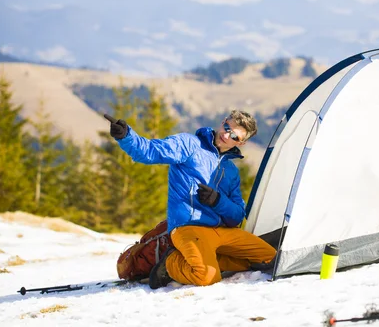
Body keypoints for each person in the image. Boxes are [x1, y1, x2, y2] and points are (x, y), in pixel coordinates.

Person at [105, 110, 276, 289]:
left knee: (269, 257)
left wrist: (218, 201)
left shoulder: (232, 171)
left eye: (234, 136)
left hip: (222, 232)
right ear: (223, 121)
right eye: (227, 127)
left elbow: (237, 216)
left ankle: (202, 257)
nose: (226, 135)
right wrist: (126, 137)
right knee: (207, 276)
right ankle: (170, 263)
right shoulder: (189, 144)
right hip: (189, 228)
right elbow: (150, 152)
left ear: (242, 142)